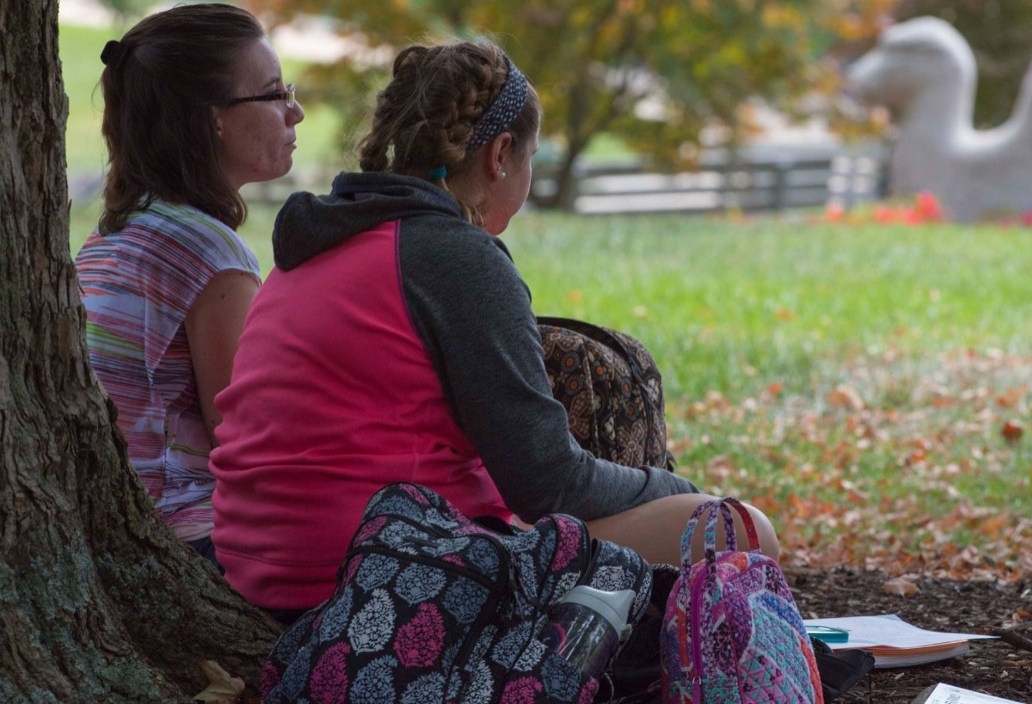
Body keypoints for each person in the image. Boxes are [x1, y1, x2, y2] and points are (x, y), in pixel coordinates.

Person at [208, 39, 779, 619]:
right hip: (376, 581)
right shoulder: (455, 257)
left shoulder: (320, 242)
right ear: (501, 153)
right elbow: (548, 482)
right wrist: (672, 488)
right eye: (530, 157)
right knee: (739, 530)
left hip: (263, 568)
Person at [74, 3, 305, 566]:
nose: (295, 111)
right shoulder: (211, 254)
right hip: (182, 535)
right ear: (213, 118)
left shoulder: (113, 235)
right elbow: (244, 439)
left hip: (112, 523)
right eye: (274, 94)